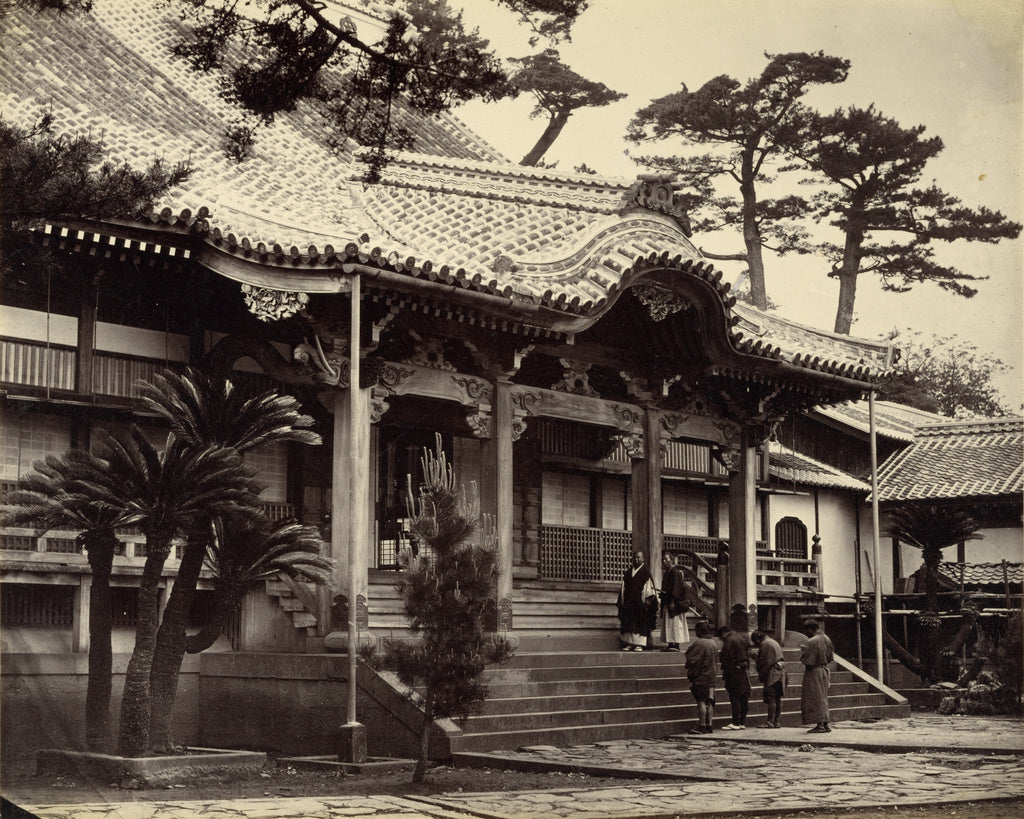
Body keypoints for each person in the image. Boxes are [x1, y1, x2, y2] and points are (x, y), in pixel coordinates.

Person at [616, 551, 657, 651]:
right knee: (628, 622)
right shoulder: (628, 572)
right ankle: (629, 643)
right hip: (629, 603)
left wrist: (647, 601)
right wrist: (622, 601)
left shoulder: (645, 573)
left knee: (640, 622)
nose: (636, 559)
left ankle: (639, 644)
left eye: (639, 558)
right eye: (635, 558)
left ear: (643, 559)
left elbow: (649, 589)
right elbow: (623, 588)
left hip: (640, 603)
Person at [799, 620, 834, 733]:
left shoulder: (813, 641)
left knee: (816, 697)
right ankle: (825, 723)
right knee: (822, 697)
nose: (806, 632)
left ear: (810, 628)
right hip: (824, 669)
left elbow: (808, 660)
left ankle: (820, 725)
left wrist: (804, 651)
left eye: (807, 630)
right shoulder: (826, 638)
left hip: (815, 671)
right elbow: (829, 656)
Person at [684, 620, 717, 734]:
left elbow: (691, 659)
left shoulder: (699, 643)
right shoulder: (713, 643)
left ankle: (702, 725)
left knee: (701, 701)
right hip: (711, 675)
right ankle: (710, 725)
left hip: (701, 676)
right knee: (710, 701)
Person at [717, 623, 752, 730]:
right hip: (743, 670)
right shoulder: (741, 639)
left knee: (735, 697)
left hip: (733, 672)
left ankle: (735, 722)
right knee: (743, 698)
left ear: (724, 633)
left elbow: (725, 657)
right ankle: (742, 722)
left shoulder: (729, 640)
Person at [751, 630, 786, 728]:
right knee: (778, 698)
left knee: (771, 697)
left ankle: (769, 721)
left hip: (772, 673)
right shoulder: (774, 642)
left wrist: (762, 675)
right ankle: (776, 721)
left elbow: (765, 662)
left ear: (758, 639)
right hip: (780, 672)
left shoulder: (765, 644)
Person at [659, 552, 690, 651]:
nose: (664, 562)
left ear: (671, 560)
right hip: (668, 601)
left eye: (666, 559)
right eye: (663, 560)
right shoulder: (668, 572)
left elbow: (676, 588)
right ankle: (670, 644)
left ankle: (676, 644)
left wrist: (672, 601)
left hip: (674, 602)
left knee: (675, 624)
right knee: (669, 624)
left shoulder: (675, 572)